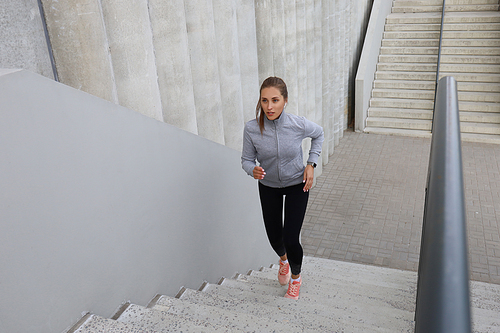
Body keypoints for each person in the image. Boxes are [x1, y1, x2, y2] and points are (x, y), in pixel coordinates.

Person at [241, 76, 324, 300]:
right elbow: (246, 160)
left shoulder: (297, 124)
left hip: (298, 184)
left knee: (291, 237)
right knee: (274, 237)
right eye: (265, 101)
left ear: (285, 101)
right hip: (269, 186)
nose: (269, 106)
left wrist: (311, 164)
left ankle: (296, 279)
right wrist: (252, 170)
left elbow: (319, 134)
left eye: (275, 100)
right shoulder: (251, 129)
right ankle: (284, 261)